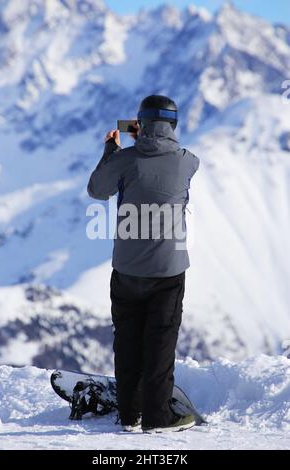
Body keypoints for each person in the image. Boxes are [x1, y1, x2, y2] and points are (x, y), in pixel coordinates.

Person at [87, 95, 200, 433]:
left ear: (140, 124)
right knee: (160, 344)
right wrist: (148, 139)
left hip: (126, 269)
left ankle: (129, 416)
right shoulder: (186, 161)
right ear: (173, 125)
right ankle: (157, 419)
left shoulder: (123, 159)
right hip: (168, 271)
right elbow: (178, 158)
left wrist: (114, 151)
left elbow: (97, 190)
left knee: (128, 342)